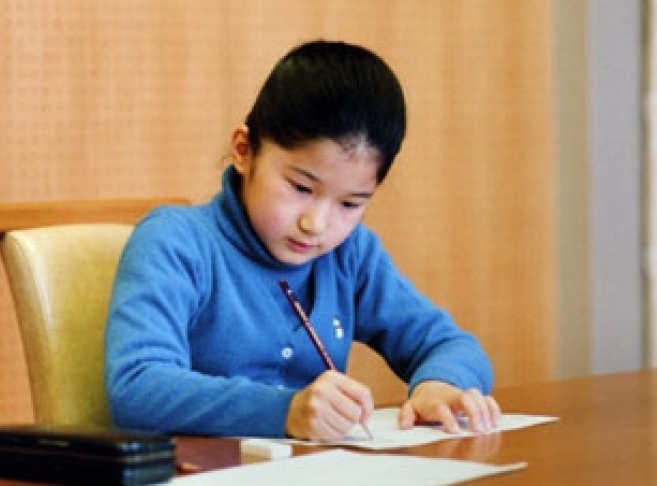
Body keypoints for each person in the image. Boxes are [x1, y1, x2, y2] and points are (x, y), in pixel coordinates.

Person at [104, 40, 500, 441]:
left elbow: (450, 344)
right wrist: (284, 411)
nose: (316, 224)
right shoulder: (177, 241)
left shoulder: (349, 254)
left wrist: (439, 383)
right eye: (300, 187)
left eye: (350, 203)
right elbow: (136, 387)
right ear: (243, 151)